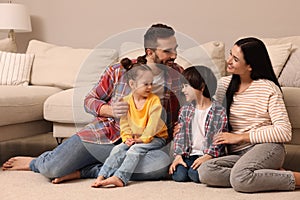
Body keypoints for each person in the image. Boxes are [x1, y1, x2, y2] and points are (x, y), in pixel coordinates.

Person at [2, 23, 184, 184]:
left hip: (143, 146)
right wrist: (110, 110)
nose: (174, 55)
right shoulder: (119, 70)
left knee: (160, 166)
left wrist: (181, 125)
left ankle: (84, 171)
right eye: (167, 51)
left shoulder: (178, 76)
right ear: (150, 51)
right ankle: (36, 162)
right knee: (52, 169)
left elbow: (193, 108)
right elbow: (89, 101)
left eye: (175, 49)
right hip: (104, 136)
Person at [198, 37, 300, 192]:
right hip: (238, 154)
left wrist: (241, 137)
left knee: (240, 180)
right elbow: (211, 117)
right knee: (205, 171)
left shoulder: (268, 88)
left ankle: (295, 178)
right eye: (230, 54)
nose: (228, 61)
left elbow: (284, 131)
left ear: (250, 66)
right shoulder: (223, 85)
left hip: (266, 148)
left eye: (235, 59)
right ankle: (265, 175)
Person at [91, 62, 168, 187]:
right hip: (135, 137)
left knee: (135, 150)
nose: (150, 87)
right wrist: (127, 138)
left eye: (151, 83)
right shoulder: (125, 101)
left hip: (155, 137)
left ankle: (120, 178)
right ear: (132, 84)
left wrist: (142, 140)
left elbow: (152, 126)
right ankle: (102, 175)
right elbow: (125, 124)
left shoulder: (154, 101)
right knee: (118, 149)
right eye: (145, 84)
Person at [169, 66, 227, 183]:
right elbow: (181, 136)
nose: (183, 90)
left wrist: (208, 156)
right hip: (189, 154)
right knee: (178, 175)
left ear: (201, 86)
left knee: (195, 175)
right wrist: (178, 156)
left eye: (186, 86)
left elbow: (218, 139)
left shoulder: (218, 111)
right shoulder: (185, 110)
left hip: (207, 155)